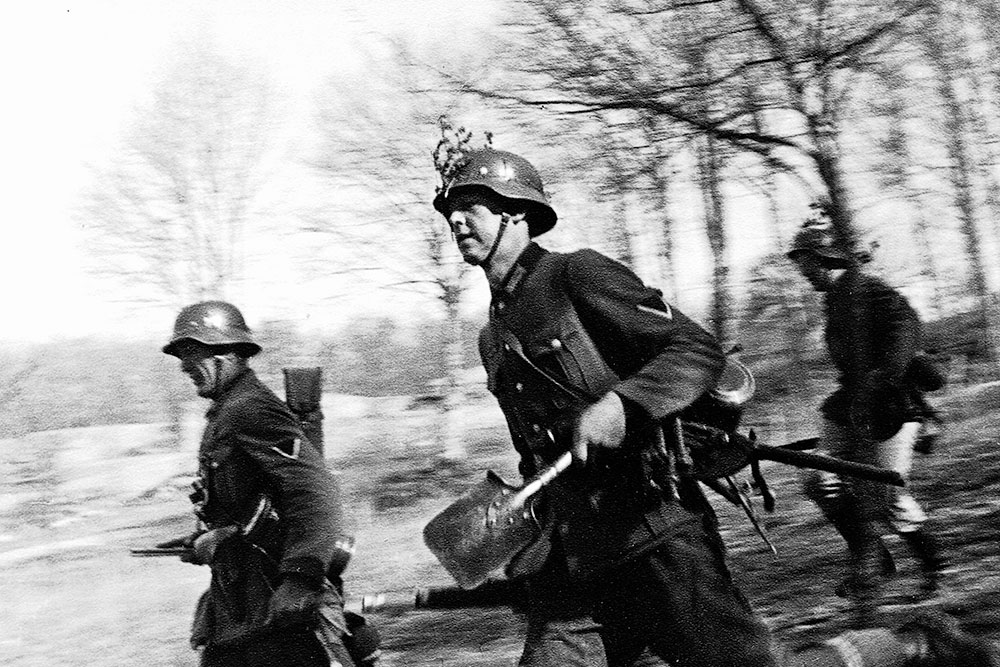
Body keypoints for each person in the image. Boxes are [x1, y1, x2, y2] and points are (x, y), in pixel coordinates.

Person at [433, 147, 778, 667]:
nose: (455, 220)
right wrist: (531, 538)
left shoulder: (577, 275)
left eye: (471, 207)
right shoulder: (492, 336)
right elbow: (535, 453)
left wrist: (621, 405)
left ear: (516, 214)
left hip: (656, 537)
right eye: (449, 211)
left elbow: (695, 349)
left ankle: (912, 645)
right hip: (576, 562)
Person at [156, 301, 360, 667]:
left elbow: (314, 488)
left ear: (228, 354)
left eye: (192, 353)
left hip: (275, 599)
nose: (184, 365)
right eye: (182, 355)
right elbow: (249, 502)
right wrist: (204, 538)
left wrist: (300, 578)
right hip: (240, 604)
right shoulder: (225, 412)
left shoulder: (249, 408)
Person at [788, 206, 946, 626]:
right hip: (851, 404)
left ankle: (932, 563)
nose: (803, 273)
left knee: (888, 495)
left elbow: (906, 321)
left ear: (823, 259)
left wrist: (884, 376)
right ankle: (871, 555)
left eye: (805, 263)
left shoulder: (863, 288)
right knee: (816, 478)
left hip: (891, 404)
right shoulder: (835, 300)